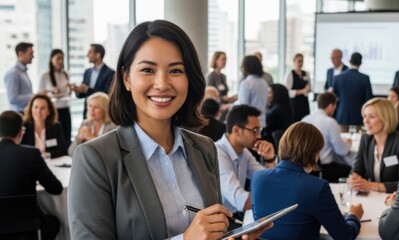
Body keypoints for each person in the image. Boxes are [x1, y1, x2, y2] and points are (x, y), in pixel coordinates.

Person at [68, 20, 270, 240]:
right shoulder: (95, 158)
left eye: (175, 70)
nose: (162, 84)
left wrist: (233, 235)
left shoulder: (204, 149)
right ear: (126, 78)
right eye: (148, 70)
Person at [251, 122, 364, 240]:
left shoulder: (257, 178)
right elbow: (345, 236)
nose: (318, 157)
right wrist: (354, 216)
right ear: (313, 152)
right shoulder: (317, 187)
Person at [0, 110, 63, 240]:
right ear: (20, 132)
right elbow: (56, 188)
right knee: (54, 222)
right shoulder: (31, 154)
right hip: (27, 227)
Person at [216, 105, 276, 220]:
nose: (259, 136)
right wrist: (274, 197)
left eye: (259, 130)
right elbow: (241, 201)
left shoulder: (244, 153)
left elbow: (268, 181)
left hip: (235, 217)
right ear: (236, 131)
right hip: (220, 222)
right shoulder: (217, 154)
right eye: (255, 130)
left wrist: (270, 159)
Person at [350, 98, 399, 193]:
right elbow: (356, 171)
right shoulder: (365, 139)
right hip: (372, 197)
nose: (365, 121)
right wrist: (354, 180)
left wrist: (370, 185)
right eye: (364, 116)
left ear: (386, 118)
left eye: (371, 116)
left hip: (395, 198)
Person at [302, 92, 352, 182]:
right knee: (352, 170)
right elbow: (341, 151)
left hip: (304, 168)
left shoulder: (305, 119)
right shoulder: (330, 122)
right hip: (322, 168)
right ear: (330, 106)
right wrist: (348, 143)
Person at [71, 43, 115, 119]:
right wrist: (77, 90)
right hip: (88, 112)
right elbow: (82, 95)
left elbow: (106, 94)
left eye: (90, 52)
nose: (87, 55)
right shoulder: (87, 72)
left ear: (98, 55)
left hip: (102, 113)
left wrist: (87, 89)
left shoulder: (110, 73)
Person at [333, 52, 373, 131]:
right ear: (360, 63)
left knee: (342, 139)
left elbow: (334, 97)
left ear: (349, 61)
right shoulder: (365, 78)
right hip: (359, 115)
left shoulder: (338, 77)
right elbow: (369, 99)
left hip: (342, 115)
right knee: (359, 140)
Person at [39, 49, 72, 144]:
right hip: (53, 111)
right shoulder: (45, 76)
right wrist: (51, 91)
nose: (61, 61)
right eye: (58, 58)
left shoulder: (66, 74)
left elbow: (68, 94)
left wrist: (71, 88)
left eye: (62, 58)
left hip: (65, 109)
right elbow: (40, 94)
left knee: (67, 135)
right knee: (54, 136)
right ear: (51, 59)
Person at [21, 94, 67, 158]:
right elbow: (19, 150)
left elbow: (63, 150)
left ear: (49, 112)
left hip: (52, 163)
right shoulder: (23, 126)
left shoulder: (56, 126)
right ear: (30, 109)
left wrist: (47, 155)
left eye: (42, 108)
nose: (38, 111)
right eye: (36, 107)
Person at [234, 55, 269, 127]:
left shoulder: (246, 83)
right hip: (262, 122)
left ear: (246, 67)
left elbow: (243, 107)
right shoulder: (264, 82)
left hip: (249, 124)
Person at [4, 42, 35, 112]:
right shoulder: (13, 73)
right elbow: (13, 98)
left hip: (26, 112)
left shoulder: (23, 72)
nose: (33, 56)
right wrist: (34, 96)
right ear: (20, 54)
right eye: (30, 54)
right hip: (19, 114)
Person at [283, 53, 311, 122]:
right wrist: (301, 91)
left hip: (304, 103)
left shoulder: (306, 74)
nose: (300, 63)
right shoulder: (290, 74)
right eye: (298, 61)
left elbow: (310, 86)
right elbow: (286, 91)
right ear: (294, 62)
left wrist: (308, 90)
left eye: (302, 61)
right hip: (294, 103)